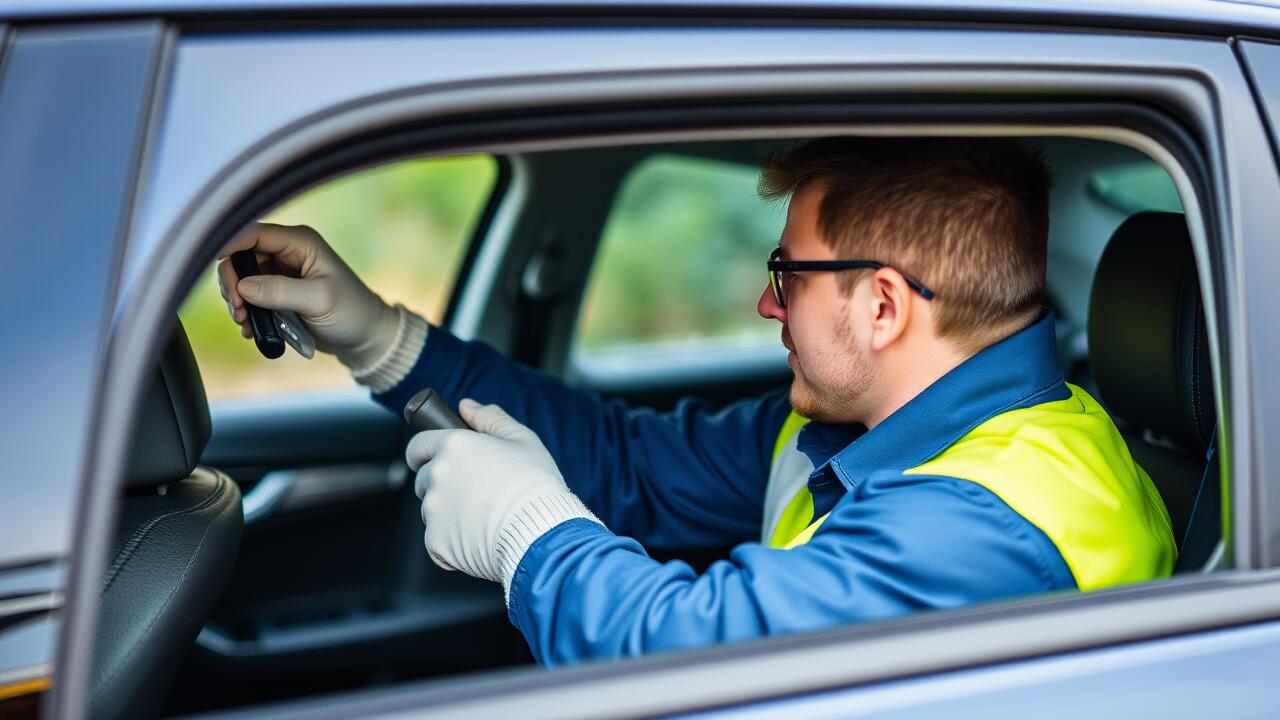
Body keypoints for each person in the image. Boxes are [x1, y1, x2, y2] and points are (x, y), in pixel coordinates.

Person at [218, 137, 1175, 667]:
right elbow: (626, 464)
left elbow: (701, 661)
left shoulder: (986, 528)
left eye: (788, 274)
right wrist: (381, 338)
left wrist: (525, 535)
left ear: (883, 305)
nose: (766, 302)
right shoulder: (857, 428)